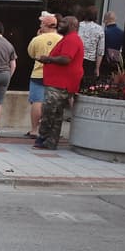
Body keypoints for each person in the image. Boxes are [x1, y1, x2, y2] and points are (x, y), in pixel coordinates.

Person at [33, 15, 84, 151]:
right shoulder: (68, 39)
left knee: (49, 110)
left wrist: (48, 59)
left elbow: (66, 59)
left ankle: (43, 137)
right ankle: (50, 141)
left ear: (72, 25)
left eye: (64, 22)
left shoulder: (71, 39)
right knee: (56, 114)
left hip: (60, 83)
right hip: (59, 82)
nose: (60, 23)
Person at [25, 12, 61, 140]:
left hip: (38, 74)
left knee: (37, 101)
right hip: (55, 74)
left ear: (45, 25)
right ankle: (51, 130)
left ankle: (34, 130)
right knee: (53, 103)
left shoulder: (37, 39)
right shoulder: (61, 39)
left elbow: (31, 53)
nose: (40, 25)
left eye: (41, 23)